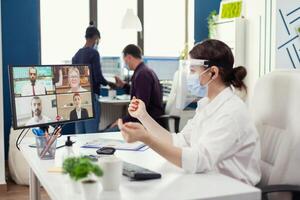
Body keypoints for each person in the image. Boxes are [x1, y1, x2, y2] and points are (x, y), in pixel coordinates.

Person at [118, 39, 261, 186]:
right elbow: (179, 141)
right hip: (209, 181)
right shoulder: (207, 104)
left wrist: (147, 138)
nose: (189, 76)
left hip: (233, 189)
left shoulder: (231, 112)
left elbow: (199, 160)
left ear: (213, 72)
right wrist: (143, 116)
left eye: (193, 70)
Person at [105, 44, 164, 131]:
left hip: (146, 121)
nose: (125, 64)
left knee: (108, 131)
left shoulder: (142, 75)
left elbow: (140, 108)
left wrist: (121, 121)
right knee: (109, 127)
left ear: (129, 57)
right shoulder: (143, 71)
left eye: (125, 60)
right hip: (145, 118)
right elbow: (139, 93)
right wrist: (123, 85)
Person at [72, 21, 114, 133]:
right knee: (91, 135)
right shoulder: (94, 53)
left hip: (78, 98)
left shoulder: (76, 55)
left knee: (79, 135)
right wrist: (111, 84)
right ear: (95, 38)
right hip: (90, 97)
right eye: (98, 40)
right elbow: (98, 77)